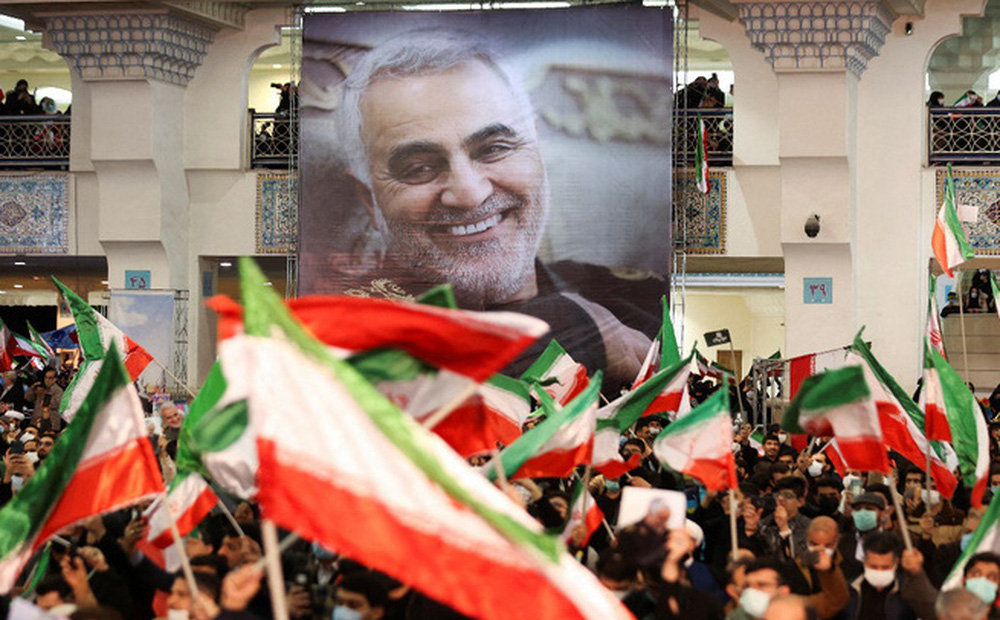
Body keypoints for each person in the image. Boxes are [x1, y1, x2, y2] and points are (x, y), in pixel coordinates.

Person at [330, 29, 660, 388]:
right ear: (369, 198)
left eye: (494, 148)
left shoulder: (641, 299)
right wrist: (568, 330)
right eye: (419, 168)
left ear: (537, 151)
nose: (470, 194)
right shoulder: (339, 342)